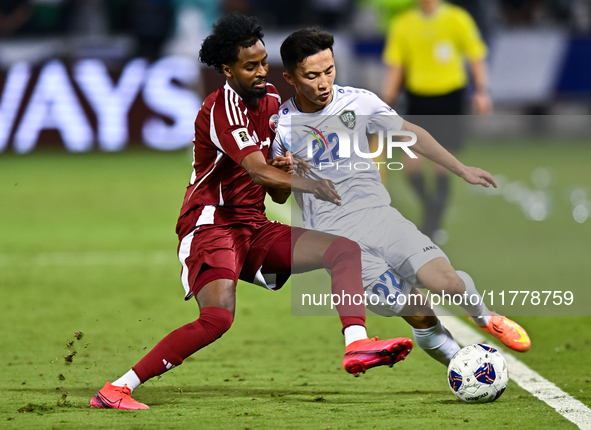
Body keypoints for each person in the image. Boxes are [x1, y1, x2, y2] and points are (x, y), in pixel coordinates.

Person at [89, 13, 413, 411]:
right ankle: (117, 388)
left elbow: (271, 188)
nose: (263, 71)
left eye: (263, 62)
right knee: (218, 319)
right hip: (211, 224)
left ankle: (356, 345)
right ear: (227, 69)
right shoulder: (219, 108)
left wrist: (286, 171)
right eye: (251, 66)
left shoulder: (273, 102)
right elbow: (254, 167)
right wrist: (306, 182)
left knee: (343, 250)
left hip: (252, 225)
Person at [271, 27, 530, 368]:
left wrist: (460, 168)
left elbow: (409, 133)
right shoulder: (282, 126)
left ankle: (485, 318)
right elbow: (275, 196)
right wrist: (285, 173)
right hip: (339, 241)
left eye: (329, 71)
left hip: (381, 218)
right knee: (419, 312)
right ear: (290, 77)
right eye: (312, 76)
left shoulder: (358, 101)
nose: (324, 83)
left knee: (448, 283)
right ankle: (464, 366)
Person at [381, 0, 492, 241]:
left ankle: (431, 226)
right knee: (412, 166)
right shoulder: (403, 24)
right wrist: (388, 99)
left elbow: (476, 55)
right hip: (417, 99)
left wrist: (481, 91)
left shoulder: (457, 19)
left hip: (449, 97)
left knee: (443, 163)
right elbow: (396, 65)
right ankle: (431, 208)